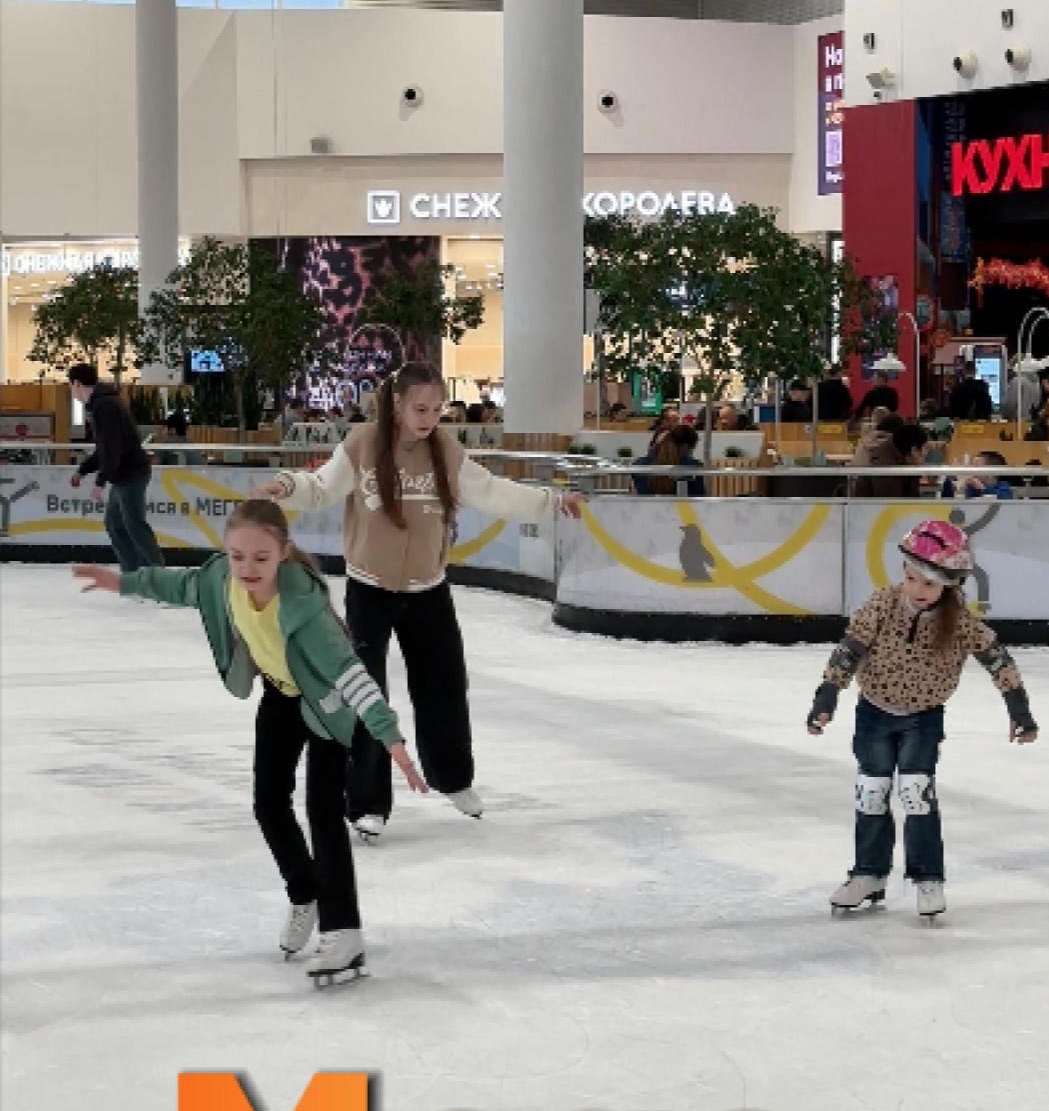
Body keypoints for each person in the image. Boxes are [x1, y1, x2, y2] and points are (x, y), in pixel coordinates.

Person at [71, 499, 426, 985]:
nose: (247, 568)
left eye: (260, 558)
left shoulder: (305, 609)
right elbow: (180, 584)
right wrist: (124, 582)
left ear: (282, 552)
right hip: (281, 696)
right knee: (267, 805)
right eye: (238, 556)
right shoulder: (221, 582)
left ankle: (344, 935)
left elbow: (350, 673)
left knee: (322, 813)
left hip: (327, 708)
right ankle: (305, 894)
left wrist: (391, 738)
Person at [256, 360, 584, 841]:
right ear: (398, 404)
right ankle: (367, 802)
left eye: (437, 409)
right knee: (367, 694)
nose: (429, 418)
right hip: (370, 587)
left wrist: (550, 501)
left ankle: (453, 778)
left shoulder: (445, 450)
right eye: (420, 408)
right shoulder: (364, 444)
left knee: (445, 684)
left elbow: (491, 492)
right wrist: (286, 486)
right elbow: (322, 487)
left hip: (428, 589)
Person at [807, 518, 1038, 922]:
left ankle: (928, 877)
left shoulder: (960, 621)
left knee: (916, 793)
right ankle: (869, 873)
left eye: (929, 584)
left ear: (950, 585)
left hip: (923, 718)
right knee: (872, 792)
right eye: (911, 578)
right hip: (874, 712)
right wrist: (827, 695)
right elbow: (849, 649)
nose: (917, 590)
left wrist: (1018, 710)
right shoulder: (882, 604)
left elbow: (998, 659)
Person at [68, 364, 162, 571]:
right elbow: (104, 449)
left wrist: (100, 481)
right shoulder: (100, 404)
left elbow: (112, 448)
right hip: (123, 474)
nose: (71, 391)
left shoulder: (105, 406)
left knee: (134, 525)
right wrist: (83, 470)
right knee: (115, 524)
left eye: (71, 386)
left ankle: (157, 575)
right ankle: (132, 572)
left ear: (76, 383)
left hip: (131, 473)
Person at [850, 412, 928, 498]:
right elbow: (891, 507)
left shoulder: (888, 455)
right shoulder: (888, 472)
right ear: (914, 450)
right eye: (925, 448)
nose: (926, 453)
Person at [632, 424, 706, 498]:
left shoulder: (638, 464)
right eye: (692, 449)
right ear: (685, 447)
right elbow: (699, 499)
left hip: (645, 508)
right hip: (683, 509)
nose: (691, 453)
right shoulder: (694, 467)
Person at [942, 451, 1014, 501]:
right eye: (972, 465)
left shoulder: (1003, 487)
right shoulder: (971, 487)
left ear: (991, 471)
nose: (972, 469)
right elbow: (947, 501)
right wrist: (950, 479)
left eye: (976, 466)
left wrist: (981, 488)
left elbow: (1002, 503)